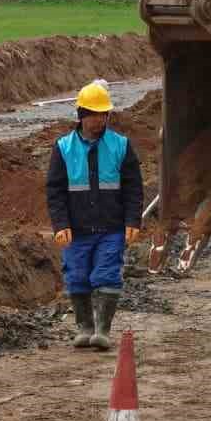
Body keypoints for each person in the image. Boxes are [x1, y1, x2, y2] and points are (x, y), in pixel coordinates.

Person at [46, 82, 144, 351]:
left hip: (111, 228)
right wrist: (60, 224)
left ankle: (102, 329)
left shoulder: (121, 146)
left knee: (107, 275)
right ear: (81, 114)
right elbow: (55, 191)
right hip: (76, 230)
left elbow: (134, 187)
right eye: (94, 114)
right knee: (77, 277)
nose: (99, 120)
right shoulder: (63, 148)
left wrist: (133, 220)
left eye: (103, 115)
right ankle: (84, 327)